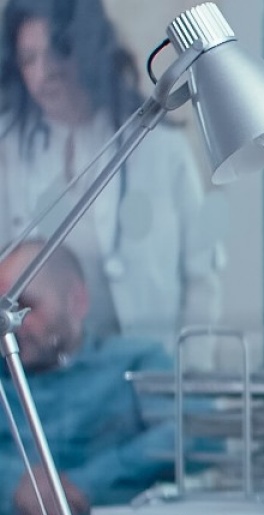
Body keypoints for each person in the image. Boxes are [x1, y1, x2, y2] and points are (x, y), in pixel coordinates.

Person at [0, 0, 224, 351]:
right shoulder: (8, 150)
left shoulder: (159, 146)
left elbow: (201, 276)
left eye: (59, 50)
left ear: (89, 49)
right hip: (43, 375)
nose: (46, 72)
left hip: (150, 373)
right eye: (29, 59)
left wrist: (189, 376)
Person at [0, 240, 202, 515]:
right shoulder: (3, 377)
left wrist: (80, 486)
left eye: (25, 306)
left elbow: (197, 432)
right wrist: (17, 482)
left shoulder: (134, 362)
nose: (10, 325)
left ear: (76, 302)